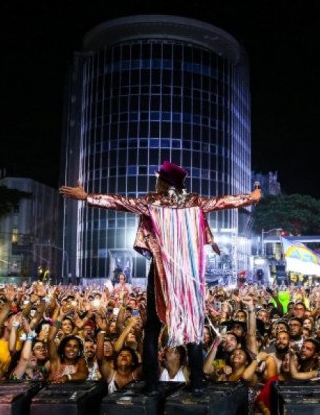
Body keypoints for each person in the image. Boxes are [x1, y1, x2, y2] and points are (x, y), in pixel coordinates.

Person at [60, 161, 261, 394]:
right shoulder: (195, 201)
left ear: (164, 182)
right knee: (193, 325)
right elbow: (223, 201)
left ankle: (152, 384)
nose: (155, 181)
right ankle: (197, 383)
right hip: (188, 274)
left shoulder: (152, 201)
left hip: (162, 271)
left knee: (153, 328)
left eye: (158, 178)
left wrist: (87, 197)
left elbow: (121, 203)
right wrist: (251, 197)